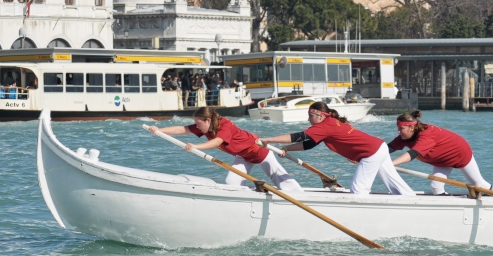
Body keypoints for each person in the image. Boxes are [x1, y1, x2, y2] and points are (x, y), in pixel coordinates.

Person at [260, 101, 415, 196]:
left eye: (310, 116)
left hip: (372, 153)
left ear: (319, 115)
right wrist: (287, 148)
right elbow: (309, 144)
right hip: (379, 147)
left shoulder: (325, 125)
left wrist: (268, 139)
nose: (308, 119)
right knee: (394, 183)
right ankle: (410, 200)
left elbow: (299, 136)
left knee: (358, 190)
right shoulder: (330, 123)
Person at [149, 107, 301, 191]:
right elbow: (182, 129)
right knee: (231, 183)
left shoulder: (225, 126)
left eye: (198, 123)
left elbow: (216, 142)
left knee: (282, 179)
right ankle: (255, 194)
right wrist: (160, 130)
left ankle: (298, 195)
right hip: (242, 155)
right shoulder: (205, 128)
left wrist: (196, 146)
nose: (196, 126)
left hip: (259, 150)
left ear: (207, 120)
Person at [388, 110, 492, 194]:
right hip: (441, 159)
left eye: (401, 128)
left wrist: (391, 164)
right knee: (436, 187)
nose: (398, 131)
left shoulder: (426, 136)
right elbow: (387, 148)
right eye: (398, 128)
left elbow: (412, 154)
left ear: (411, 127)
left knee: (479, 184)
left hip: (459, 152)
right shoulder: (404, 136)